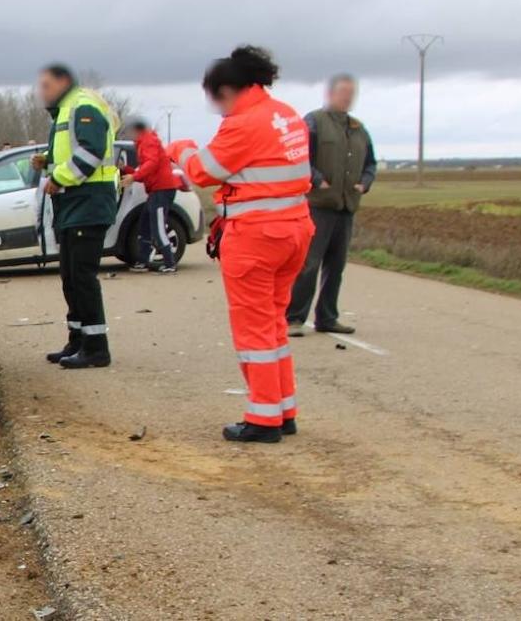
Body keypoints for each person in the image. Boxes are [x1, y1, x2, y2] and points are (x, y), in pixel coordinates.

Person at [178, 46, 314, 443]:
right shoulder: (285, 114)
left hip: (256, 235)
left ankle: (263, 419)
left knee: (253, 329)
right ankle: (283, 409)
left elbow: (203, 171)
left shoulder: (244, 123)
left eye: (215, 99)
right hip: (295, 230)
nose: (217, 109)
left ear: (227, 90)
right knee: (273, 323)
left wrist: (179, 148)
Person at [30, 64, 119, 369]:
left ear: (63, 82)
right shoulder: (66, 110)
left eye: (46, 85)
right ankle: (78, 339)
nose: (42, 91)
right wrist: (48, 162)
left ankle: (96, 348)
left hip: (89, 202)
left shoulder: (83, 105)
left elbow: (91, 152)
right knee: (70, 277)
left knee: (82, 277)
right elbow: (74, 153)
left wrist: (60, 178)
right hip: (73, 205)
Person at [286, 74, 376, 336]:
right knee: (309, 263)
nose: (348, 97)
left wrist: (365, 182)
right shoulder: (314, 121)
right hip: (318, 205)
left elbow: (370, 163)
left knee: (336, 266)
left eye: (352, 93)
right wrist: (317, 180)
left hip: (346, 206)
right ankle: (293, 317)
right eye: (343, 92)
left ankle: (327, 317)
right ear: (330, 94)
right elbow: (300, 156)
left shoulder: (359, 129)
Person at [120, 117, 181, 273]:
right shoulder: (142, 143)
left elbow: (151, 164)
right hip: (155, 191)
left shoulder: (148, 141)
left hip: (162, 189)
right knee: (145, 225)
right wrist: (126, 169)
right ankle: (143, 261)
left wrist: (133, 177)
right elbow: (145, 169)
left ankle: (169, 263)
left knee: (158, 227)